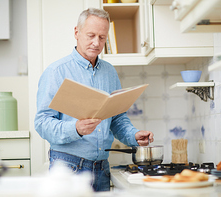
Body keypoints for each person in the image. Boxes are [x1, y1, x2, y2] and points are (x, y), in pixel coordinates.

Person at [34, 8, 154, 192]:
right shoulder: (56, 72)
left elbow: (117, 119)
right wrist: (75, 129)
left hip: (101, 169)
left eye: (102, 37)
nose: (96, 43)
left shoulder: (110, 72)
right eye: (91, 35)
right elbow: (42, 123)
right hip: (67, 167)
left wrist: (133, 136)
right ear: (76, 32)